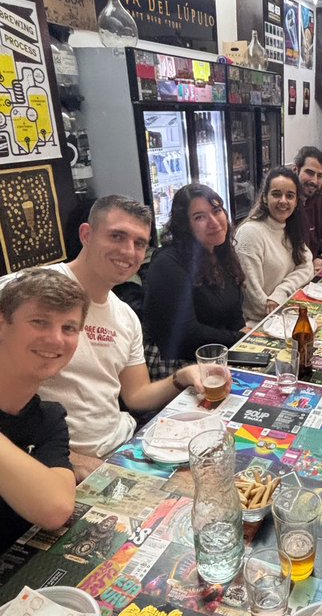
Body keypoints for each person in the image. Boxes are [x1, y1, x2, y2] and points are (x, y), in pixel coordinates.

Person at [16, 196, 204, 481]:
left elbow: (136, 395)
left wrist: (184, 376)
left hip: (123, 448)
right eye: (117, 236)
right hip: (56, 465)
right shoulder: (24, 292)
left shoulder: (125, 315)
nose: (128, 251)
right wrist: (69, 459)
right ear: (86, 235)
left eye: (139, 243)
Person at [0, 268, 89, 550]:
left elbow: (55, 509)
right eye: (39, 322)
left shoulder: (50, 419)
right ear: (2, 325)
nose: (56, 339)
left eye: (69, 328)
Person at [143, 183, 245, 369]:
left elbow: (235, 315)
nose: (213, 222)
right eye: (200, 217)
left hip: (220, 354)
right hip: (178, 364)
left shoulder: (222, 253)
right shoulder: (168, 263)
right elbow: (186, 333)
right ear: (185, 226)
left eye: (217, 211)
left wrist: (243, 338)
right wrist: (240, 337)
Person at [236, 167, 314, 323]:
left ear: (296, 201)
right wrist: (275, 308)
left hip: (284, 312)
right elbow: (252, 297)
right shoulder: (250, 233)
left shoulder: (290, 227)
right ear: (265, 198)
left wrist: (281, 292)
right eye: (276, 194)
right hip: (258, 323)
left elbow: (307, 266)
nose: (283, 201)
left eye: (290, 196)